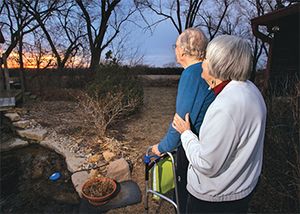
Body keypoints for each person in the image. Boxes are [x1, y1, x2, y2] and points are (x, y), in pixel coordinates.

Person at [172, 35, 267, 213]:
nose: (202, 62)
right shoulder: (251, 90)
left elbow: (207, 164)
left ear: (217, 65)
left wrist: (186, 134)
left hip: (215, 198)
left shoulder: (225, 106)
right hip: (241, 190)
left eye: (206, 58)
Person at [151, 28, 215, 213]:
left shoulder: (192, 73)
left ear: (183, 50)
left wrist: (161, 148)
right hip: (207, 141)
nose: (175, 49)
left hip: (195, 146)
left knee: (186, 195)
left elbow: (182, 121)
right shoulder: (206, 69)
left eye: (176, 45)